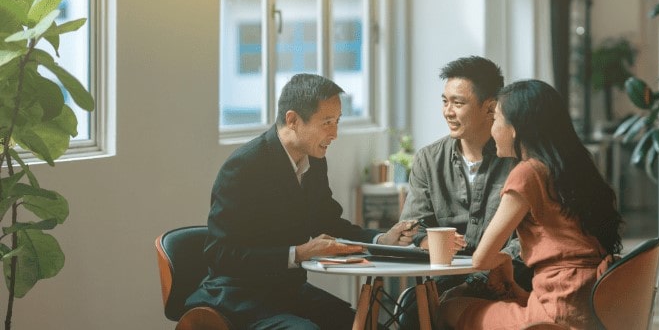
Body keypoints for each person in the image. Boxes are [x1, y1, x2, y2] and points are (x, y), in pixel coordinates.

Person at [186, 73, 417, 330]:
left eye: (337, 121)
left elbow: (329, 224)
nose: (335, 134)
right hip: (238, 297)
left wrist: (382, 239)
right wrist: (299, 253)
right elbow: (220, 255)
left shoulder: (314, 162)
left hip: (288, 293)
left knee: (368, 326)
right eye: (327, 122)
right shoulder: (244, 167)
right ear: (293, 120)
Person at [438, 79, 624, 330]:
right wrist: (507, 263)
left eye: (496, 119)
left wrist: (501, 260)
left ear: (516, 128)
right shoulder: (573, 167)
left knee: (448, 307)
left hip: (556, 313)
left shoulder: (527, 173)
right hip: (589, 304)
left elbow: (481, 259)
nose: (492, 129)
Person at [397, 56, 534, 328]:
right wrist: (427, 241)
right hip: (445, 280)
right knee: (411, 310)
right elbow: (413, 226)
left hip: (506, 279)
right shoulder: (428, 159)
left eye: (458, 103)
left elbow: (528, 238)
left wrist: (478, 280)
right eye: (445, 101)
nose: (448, 112)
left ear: (490, 108)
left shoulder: (518, 160)